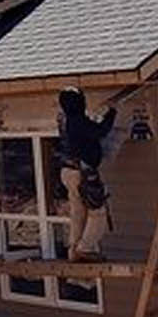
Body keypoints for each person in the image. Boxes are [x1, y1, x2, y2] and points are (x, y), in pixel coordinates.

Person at [56, 86, 118, 261]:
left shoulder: (65, 120)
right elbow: (100, 131)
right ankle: (86, 248)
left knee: (78, 213)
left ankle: (74, 251)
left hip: (68, 171)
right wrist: (112, 113)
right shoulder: (78, 121)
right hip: (82, 172)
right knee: (98, 213)